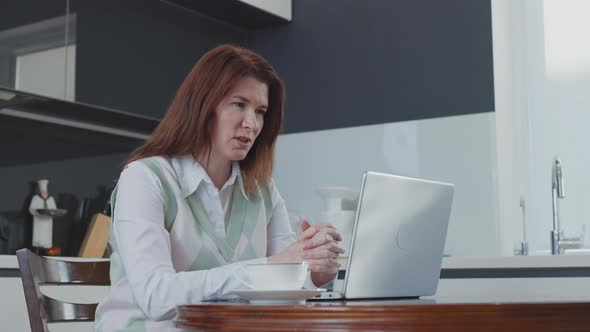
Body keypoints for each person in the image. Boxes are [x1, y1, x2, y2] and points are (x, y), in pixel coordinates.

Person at [95, 44, 344, 331]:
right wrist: (267, 268)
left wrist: (315, 269)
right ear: (203, 105)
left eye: (260, 111)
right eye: (239, 104)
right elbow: (156, 297)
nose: (251, 123)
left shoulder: (262, 190)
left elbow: (282, 289)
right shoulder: (144, 179)